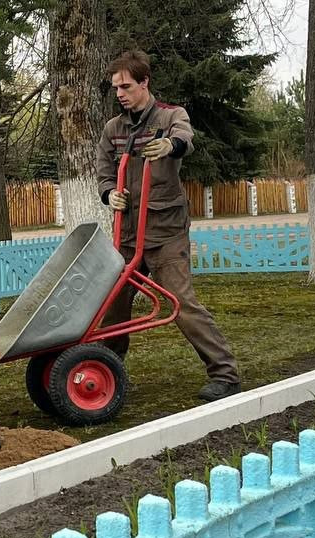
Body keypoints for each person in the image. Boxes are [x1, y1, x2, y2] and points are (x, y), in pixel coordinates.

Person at [95, 49, 240, 402]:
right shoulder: (114, 129)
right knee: (112, 307)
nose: (120, 94)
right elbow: (103, 172)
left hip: (165, 233)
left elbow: (185, 139)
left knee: (181, 303)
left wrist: (169, 145)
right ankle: (105, 372)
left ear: (144, 82)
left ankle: (225, 374)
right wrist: (110, 194)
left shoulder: (171, 116)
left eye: (126, 87)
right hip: (128, 235)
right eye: (116, 88)